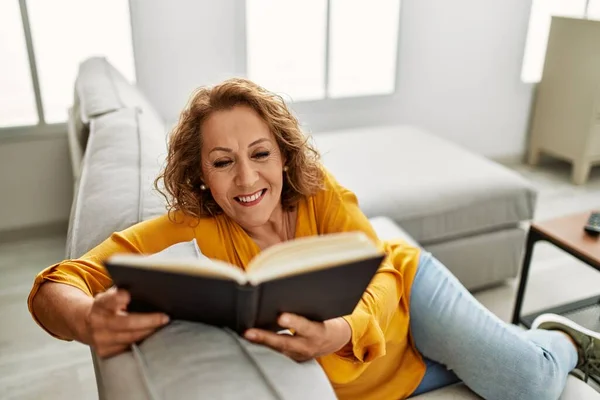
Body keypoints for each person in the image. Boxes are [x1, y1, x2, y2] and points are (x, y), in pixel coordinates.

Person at [28, 78, 599, 400]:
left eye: (260, 155)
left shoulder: (316, 190)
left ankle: (561, 340)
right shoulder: (192, 223)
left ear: (282, 153)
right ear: (201, 173)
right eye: (223, 163)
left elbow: (380, 269)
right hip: (376, 367)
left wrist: (342, 330)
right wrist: (84, 320)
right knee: (498, 369)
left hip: (407, 292)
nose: (248, 180)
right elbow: (56, 284)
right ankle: (510, 342)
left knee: (526, 382)